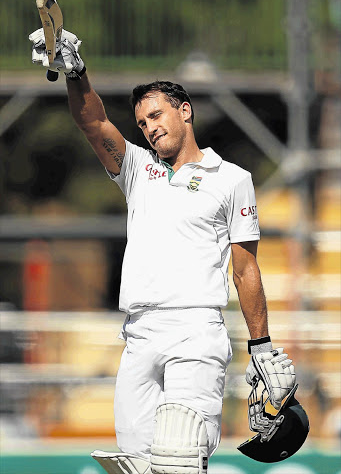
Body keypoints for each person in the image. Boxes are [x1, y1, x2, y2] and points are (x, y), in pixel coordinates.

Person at [29, 29, 296, 474]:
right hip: (139, 334)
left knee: (179, 458)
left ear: (184, 111)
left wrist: (262, 346)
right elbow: (93, 123)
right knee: (135, 466)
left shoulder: (232, 178)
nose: (150, 128)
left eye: (157, 115)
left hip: (195, 329)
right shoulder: (137, 169)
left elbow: (246, 271)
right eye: (143, 124)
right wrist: (76, 72)